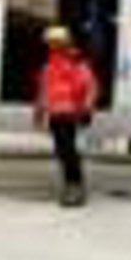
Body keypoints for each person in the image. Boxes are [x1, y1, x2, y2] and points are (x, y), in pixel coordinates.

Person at [35, 20, 102, 206]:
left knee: (68, 150)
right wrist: (40, 111)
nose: (51, 46)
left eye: (54, 42)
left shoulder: (76, 64)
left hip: (70, 113)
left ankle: (75, 186)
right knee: (62, 151)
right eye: (49, 43)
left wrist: (87, 109)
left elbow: (90, 87)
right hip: (56, 114)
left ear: (63, 43)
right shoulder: (49, 67)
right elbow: (44, 90)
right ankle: (70, 184)